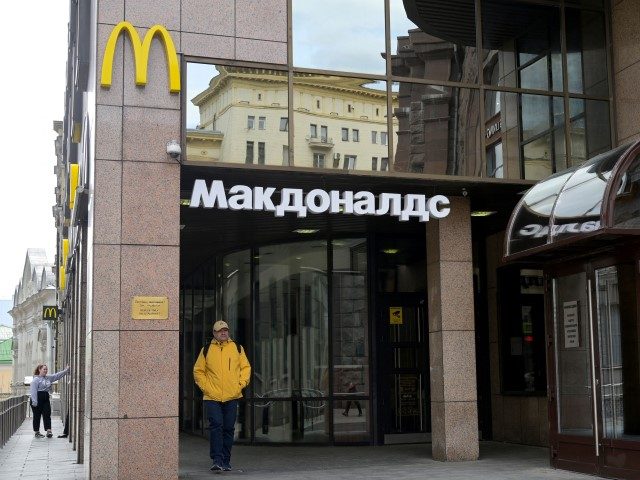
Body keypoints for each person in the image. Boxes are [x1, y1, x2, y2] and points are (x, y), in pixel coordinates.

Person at [193, 320, 251, 472]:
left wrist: (241, 384)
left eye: (225, 330)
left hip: (232, 396)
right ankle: (217, 459)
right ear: (214, 333)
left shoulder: (237, 348)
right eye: (220, 331)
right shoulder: (206, 350)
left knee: (228, 429)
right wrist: (207, 388)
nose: (223, 333)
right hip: (212, 397)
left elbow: (246, 368)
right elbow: (198, 371)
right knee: (216, 425)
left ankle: (226, 461)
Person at [30, 364, 70, 438]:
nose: (45, 371)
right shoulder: (36, 379)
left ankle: (49, 431)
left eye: (46, 369)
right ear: (39, 370)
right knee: (37, 415)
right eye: (44, 369)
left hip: (45, 398)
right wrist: (35, 402)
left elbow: (57, 376)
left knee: (47, 414)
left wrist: (66, 371)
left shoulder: (48, 378)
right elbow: (33, 391)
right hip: (37, 398)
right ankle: (37, 432)